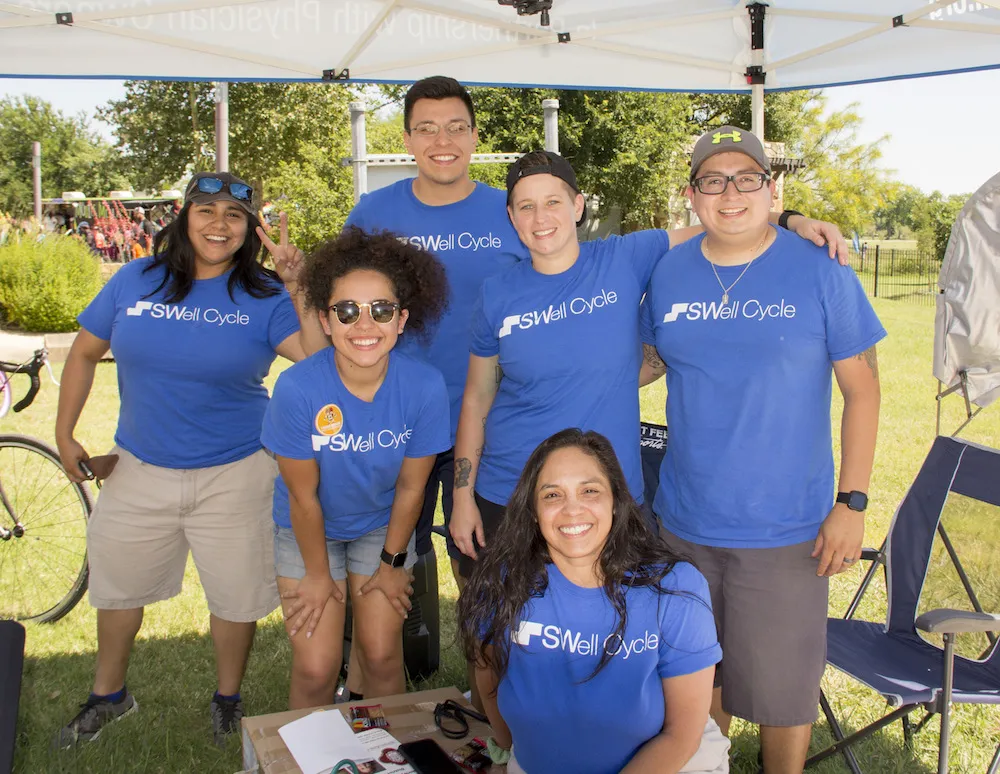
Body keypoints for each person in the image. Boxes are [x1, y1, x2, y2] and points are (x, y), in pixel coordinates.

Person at [451, 150, 848, 582]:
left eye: (553, 202)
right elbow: (477, 397)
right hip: (509, 489)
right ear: (511, 215)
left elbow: (722, 219)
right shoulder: (497, 294)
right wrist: (462, 495)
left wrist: (791, 220)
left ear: (577, 206)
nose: (540, 217)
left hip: (609, 495)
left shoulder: (624, 257)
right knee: (499, 637)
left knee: (611, 630)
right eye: (526, 206)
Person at [639, 126, 885, 774]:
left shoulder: (820, 273)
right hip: (684, 525)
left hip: (787, 531)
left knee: (782, 697)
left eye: (746, 178)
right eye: (713, 180)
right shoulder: (668, 272)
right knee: (696, 685)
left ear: (772, 191)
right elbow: (645, 362)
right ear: (693, 195)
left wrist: (851, 504)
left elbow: (863, 390)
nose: (731, 193)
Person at [53, 171, 318, 748]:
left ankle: (228, 698)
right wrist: (64, 431)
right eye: (207, 211)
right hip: (138, 467)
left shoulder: (265, 296)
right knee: (119, 589)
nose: (218, 225)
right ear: (184, 216)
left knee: (236, 594)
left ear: (250, 229)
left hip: (237, 470)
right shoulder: (134, 279)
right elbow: (83, 353)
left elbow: (321, 365)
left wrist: (297, 284)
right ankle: (109, 696)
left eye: (234, 215)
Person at [345, 76, 529, 586]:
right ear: (406, 139)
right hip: (394, 418)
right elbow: (343, 307)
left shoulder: (512, 212)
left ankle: (484, 660)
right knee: (388, 565)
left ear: (474, 136)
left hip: (492, 420)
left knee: (485, 570)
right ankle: (388, 661)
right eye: (426, 129)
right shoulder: (373, 214)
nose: (441, 142)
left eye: (455, 128)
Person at [459, 429, 728, 774]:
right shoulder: (503, 582)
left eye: (590, 491)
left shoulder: (674, 586)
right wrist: (513, 752)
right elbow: (489, 680)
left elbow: (682, 734)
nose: (573, 509)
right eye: (553, 495)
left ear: (616, 502)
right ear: (533, 511)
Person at [261, 227, 450, 709]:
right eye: (346, 311)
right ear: (325, 320)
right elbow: (303, 497)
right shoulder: (298, 389)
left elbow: (412, 489)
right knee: (316, 666)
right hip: (309, 532)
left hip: (380, 528)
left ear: (402, 319)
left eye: (381, 310)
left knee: (384, 656)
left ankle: (386, 755)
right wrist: (319, 577)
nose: (364, 325)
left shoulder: (425, 387)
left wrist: (391, 567)